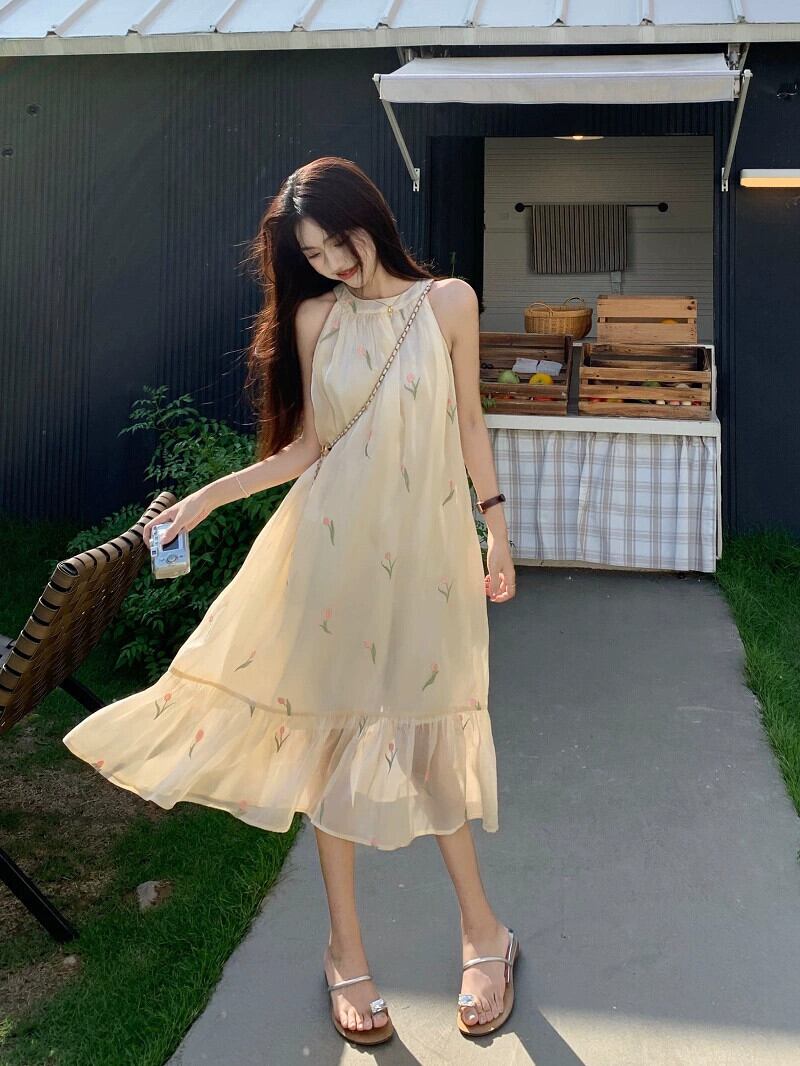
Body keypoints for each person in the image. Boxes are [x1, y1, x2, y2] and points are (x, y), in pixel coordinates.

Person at [62, 156, 519, 1044]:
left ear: (371, 220)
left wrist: (494, 528)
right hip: (329, 561)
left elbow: (470, 423)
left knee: (432, 745)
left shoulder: (449, 304)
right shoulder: (316, 319)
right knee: (329, 746)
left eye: (340, 243)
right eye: (313, 255)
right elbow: (308, 448)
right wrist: (207, 499)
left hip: (426, 563)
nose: (334, 264)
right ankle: (345, 949)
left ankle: (484, 933)